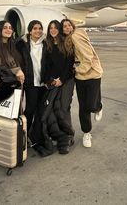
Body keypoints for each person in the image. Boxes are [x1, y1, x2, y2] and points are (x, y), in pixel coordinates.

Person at [61, 18, 103, 148]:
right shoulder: (68, 40)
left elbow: (88, 57)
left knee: (91, 104)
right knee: (83, 106)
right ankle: (86, 133)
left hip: (92, 73)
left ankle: (98, 107)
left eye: (69, 25)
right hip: (80, 77)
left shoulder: (75, 36)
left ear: (72, 26)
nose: (67, 28)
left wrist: (78, 69)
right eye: (64, 27)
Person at [44, 20, 75, 154]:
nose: (53, 30)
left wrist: (61, 79)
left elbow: (69, 63)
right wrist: (51, 80)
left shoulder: (66, 43)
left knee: (64, 106)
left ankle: (69, 135)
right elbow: (47, 65)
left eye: (56, 27)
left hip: (66, 79)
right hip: (54, 81)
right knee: (53, 108)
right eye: (51, 28)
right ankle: (59, 135)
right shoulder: (48, 44)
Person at [15, 20, 47, 135]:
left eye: (40, 28)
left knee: (41, 110)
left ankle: (37, 134)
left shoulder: (46, 43)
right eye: (35, 28)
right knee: (30, 109)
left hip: (43, 82)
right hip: (31, 82)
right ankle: (24, 134)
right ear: (30, 31)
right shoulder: (22, 44)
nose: (38, 31)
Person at [0, 20, 25, 85]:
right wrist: (16, 71)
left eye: (10, 28)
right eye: (5, 28)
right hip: (3, 85)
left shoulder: (12, 46)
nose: (8, 30)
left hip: (15, 83)